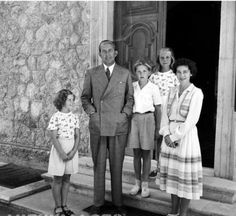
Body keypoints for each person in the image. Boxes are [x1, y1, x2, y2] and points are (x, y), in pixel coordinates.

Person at [81, 40, 134, 216]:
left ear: (116, 53)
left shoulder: (125, 73)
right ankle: (98, 203)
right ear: (99, 54)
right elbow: (85, 98)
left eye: (110, 51)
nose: (107, 54)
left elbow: (130, 98)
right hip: (99, 124)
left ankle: (118, 203)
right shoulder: (92, 73)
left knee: (117, 165)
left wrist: (125, 114)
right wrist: (92, 113)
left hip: (118, 125)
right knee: (99, 165)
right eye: (103, 51)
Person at [159, 58, 203, 216]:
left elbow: (192, 120)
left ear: (191, 73)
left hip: (186, 138)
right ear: (175, 73)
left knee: (184, 176)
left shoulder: (196, 93)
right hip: (169, 136)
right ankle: (173, 211)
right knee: (173, 175)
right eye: (179, 71)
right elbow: (165, 115)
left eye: (185, 72)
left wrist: (175, 136)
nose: (182, 75)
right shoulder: (171, 91)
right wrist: (166, 134)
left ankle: (183, 213)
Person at [127, 59, 162, 198]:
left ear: (149, 73)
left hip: (148, 119)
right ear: (135, 73)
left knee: (146, 154)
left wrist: (158, 127)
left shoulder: (153, 87)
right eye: (139, 71)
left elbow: (158, 108)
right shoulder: (132, 86)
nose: (141, 74)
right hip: (135, 119)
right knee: (136, 153)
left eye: (144, 71)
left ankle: (146, 185)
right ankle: (137, 183)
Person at [47, 89, 80, 216]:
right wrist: (61, 153)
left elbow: (77, 136)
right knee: (58, 179)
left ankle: (65, 205)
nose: (72, 102)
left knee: (67, 178)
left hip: (71, 150)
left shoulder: (74, 117)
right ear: (62, 101)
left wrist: (73, 151)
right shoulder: (56, 117)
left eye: (73, 99)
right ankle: (58, 206)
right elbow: (54, 137)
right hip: (60, 151)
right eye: (69, 100)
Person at [149, 47, 179, 179]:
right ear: (159, 59)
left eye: (167, 57)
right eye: (162, 57)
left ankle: (168, 169)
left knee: (169, 138)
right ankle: (157, 167)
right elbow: (148, 94)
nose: (165, 60)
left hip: (170, 112)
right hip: (157, 110)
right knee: (158, 138)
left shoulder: (175, 77)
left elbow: (178, 96)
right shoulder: (154, 77)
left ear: (171, 59)